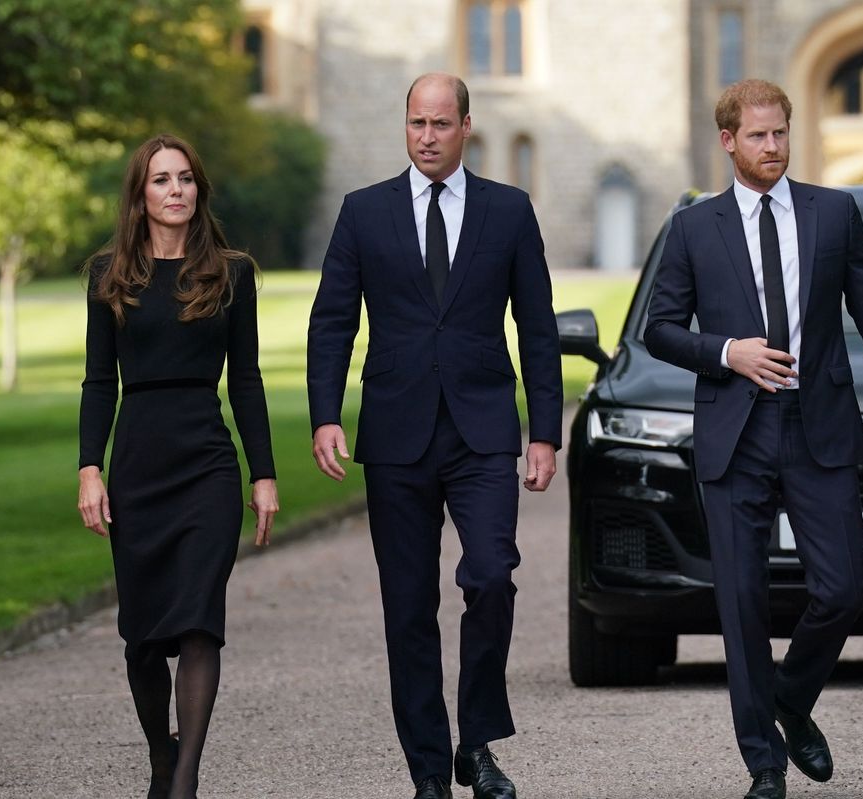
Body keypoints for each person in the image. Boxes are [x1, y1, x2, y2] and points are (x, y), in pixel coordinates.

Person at [645, 79, 863, 799]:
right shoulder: (692, 228)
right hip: (734, 433)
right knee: (740, 602)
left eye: (781, 134)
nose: (773, 147)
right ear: (728, 141)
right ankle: (764, 765)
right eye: (758, 136)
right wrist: (726, 351)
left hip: (817, 426)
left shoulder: (832, 212)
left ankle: (790, 698)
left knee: (845, 583)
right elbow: (660, 327)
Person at [306, 73, 562, 799]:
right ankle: (428, 769)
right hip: (394, 432)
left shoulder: (508, 212)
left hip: (483, 431)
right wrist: (327, 414)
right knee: (408, 604)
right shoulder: (363, 213)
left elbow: (538, 328)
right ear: (405, 125)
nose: (426, 136)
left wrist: (545, 432)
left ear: (466, 127)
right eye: (416, 122)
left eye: (441, 124)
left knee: (490, 575)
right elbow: (332, 323)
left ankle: (475, 743)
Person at [77, 134, 279, 799]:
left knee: (198, 622)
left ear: (199, 190)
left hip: (207, 468)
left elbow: (246, 381)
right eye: (161, 180)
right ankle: (160, 763)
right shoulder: (107, 274)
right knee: (141, 639)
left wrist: (263, 473)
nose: (175, 191)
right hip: (137, 463)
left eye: (185, 179)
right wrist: (89, 468)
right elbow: (98, 382)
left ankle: (185, 778)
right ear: (140, 194)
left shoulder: (232, 272)